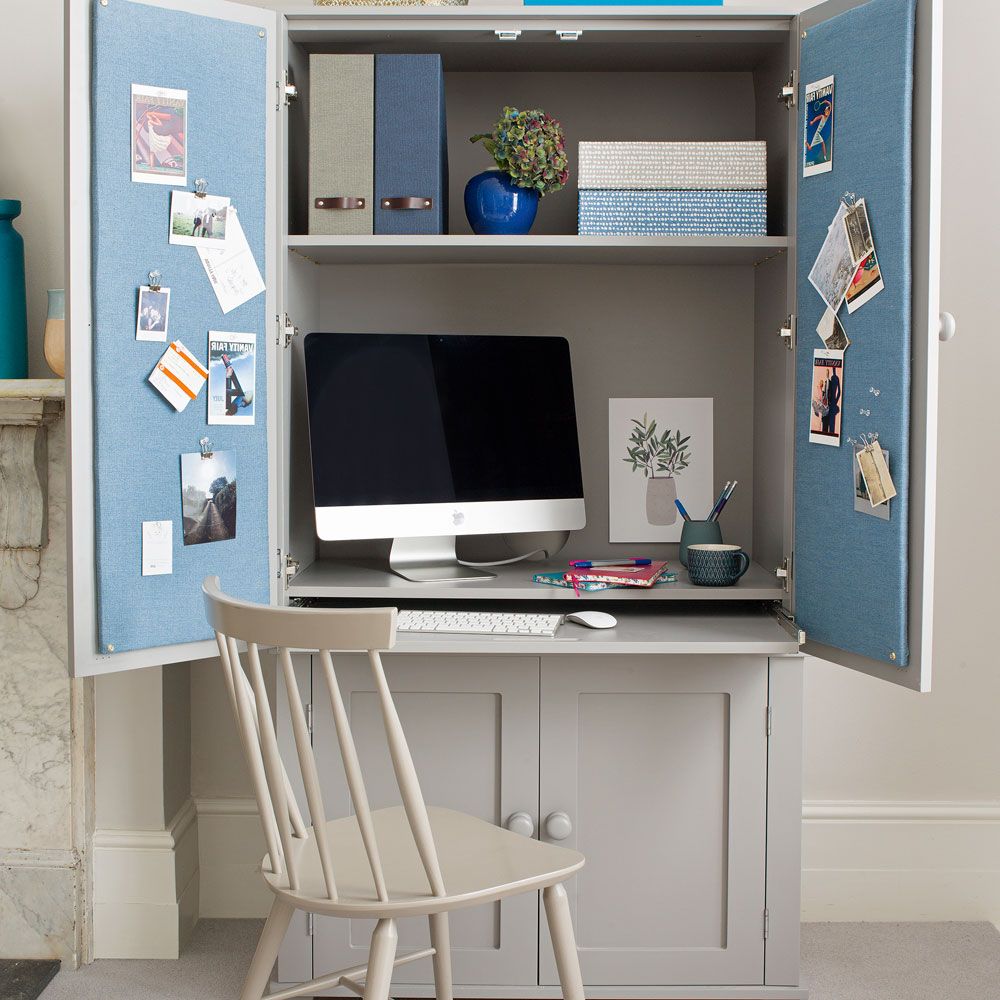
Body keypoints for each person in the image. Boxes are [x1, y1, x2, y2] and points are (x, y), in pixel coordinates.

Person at [806, 100, 832, 164]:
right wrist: (812, 121)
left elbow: (830, 105)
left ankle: (825, 157)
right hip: (817, 133)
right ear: (825, 111)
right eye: (826, 110)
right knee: (810, 148)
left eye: (828, 111)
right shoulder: (822, 116)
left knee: (823, 143)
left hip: (818, 134)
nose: (827, 112)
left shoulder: (827, 117)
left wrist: (826, 101)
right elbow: (817, 118)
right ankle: (806, 142)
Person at [821, 364, 841, 435]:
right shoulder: (831, 380)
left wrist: (835, 401)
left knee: (831, 425)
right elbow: (827, 391)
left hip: (831, 403)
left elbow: (839, 392)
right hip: (829, 403)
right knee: (826, 424)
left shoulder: (835, 379)